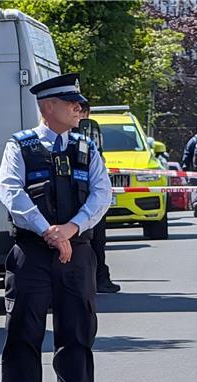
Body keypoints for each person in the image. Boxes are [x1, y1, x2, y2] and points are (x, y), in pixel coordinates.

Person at [0, 73, 111, 382]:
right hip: (32, 253)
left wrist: (70, 230)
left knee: (77, 335)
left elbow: (101, 195)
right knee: (22, 335)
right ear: (48, 107)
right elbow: (11, 192)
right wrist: (48, 230)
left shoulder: (87, 147)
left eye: (79, 103)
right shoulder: (20, 146)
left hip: (76, 254)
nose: (79, 108)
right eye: (70, 103)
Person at [76, 101, 121, 294]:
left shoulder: (86, 132)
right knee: (93, 239)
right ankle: (98, 278)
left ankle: (99, 277)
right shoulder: (82, 131)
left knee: (96, 240)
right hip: (83, 193)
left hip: (87, 194)